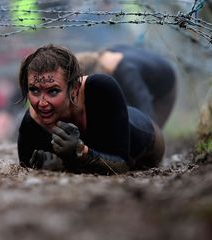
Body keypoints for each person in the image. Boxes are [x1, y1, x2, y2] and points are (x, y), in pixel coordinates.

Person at [16, 44, 165, 175]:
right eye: (34, 90)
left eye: (53, 91)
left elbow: (121, 165)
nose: (42, 103)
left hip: (146, 140)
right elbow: (26, 167)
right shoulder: (31, 125)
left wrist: (79, 150)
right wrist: (50, 167)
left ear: (74, 89)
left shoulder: (99, 88)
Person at [75, 44, 177, 128]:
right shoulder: (108, 53)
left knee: (153, 132)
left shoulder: (128, 75)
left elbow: (147, 112)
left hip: (166, 90)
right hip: (152, 69)